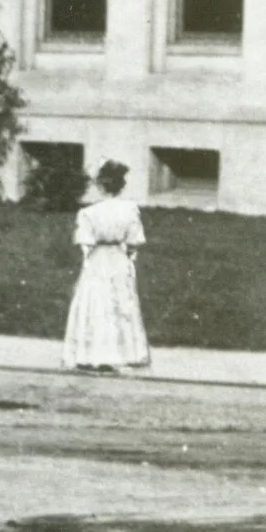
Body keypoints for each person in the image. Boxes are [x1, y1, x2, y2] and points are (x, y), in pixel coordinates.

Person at [63, 160, 151, 373]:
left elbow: (85, 242)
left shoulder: (89, 213)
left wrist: (89, 259)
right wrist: (128, 258)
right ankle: (123, 353)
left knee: (95, 305)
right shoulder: (130, 210)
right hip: (118, 259)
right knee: (120, 305)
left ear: (101, 185)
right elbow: (134, 241)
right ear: (122, 185)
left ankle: (90, 354)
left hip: (98, 260)